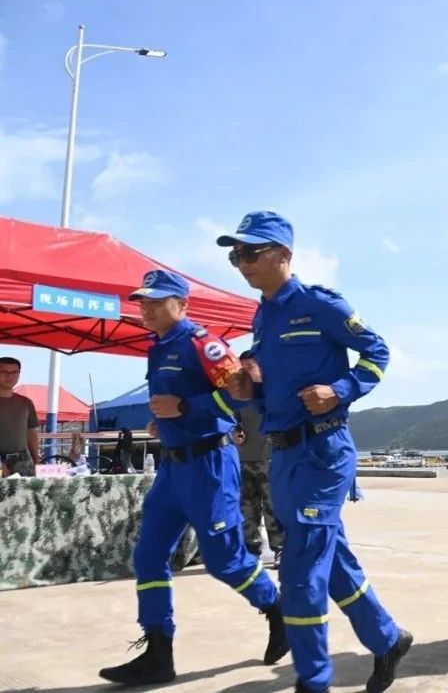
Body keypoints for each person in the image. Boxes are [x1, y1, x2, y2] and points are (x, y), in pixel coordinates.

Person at [217, 211, 412, 693]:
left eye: (250, 252)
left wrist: (340, 388)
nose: (241, 263)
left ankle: (313, 680)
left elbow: (378, 352)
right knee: (333, 558)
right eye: (235, 254)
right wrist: (250, 396)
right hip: (283, 457)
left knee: (301, 568)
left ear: (284, 254)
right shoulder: (261, 316)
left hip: (323, 450)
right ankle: (387, 638)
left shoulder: (319, 304)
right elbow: (276, 391)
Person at [99, 269, 287, 686]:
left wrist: (185, 408)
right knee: (148, 556)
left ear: (181, 305)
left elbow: (240, 392)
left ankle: (278, 611)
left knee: (225, 561)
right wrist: (162, 420)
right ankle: (158, 652)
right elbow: (170, 399)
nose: (145, 307)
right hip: (172, 468)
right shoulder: (158, 345)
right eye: (142, 301)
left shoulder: (203, 343)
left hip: (210, 467)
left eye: (155, 300)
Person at [234, 400, 284, 569]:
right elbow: (230, 419)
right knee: (247, 507)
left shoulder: (271, 390)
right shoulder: (237, 392)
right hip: (243, 458)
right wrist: (234, 430)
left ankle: (281, 549)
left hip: (270, 458)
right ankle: (251, 551)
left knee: (274, 506)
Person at [0, 356, 40, 476]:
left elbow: (31, 433)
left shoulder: (26, 403)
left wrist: (36, 461)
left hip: (23, 461)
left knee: (27, 494)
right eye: (4, 372)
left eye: (14, 372)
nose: (9, 376)